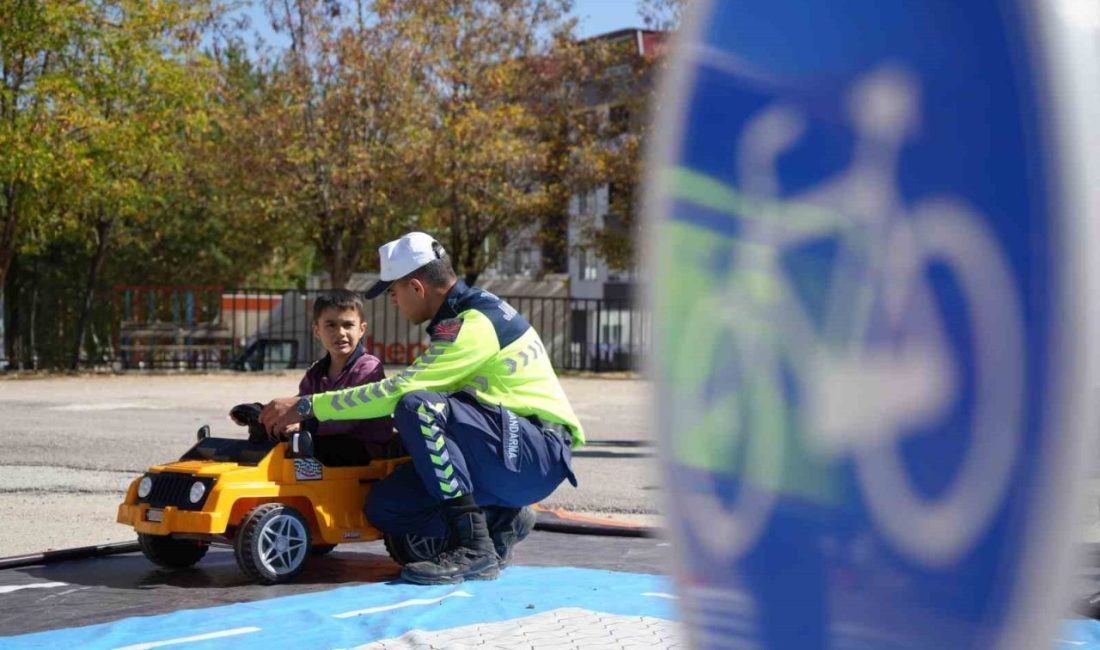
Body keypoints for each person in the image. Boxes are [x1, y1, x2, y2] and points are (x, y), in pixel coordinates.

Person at [261, 231, 583, 585]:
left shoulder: (473, 324)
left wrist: (307, 406)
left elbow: (402, 390)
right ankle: (501, 519)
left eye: (393, 292)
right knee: (385, 508)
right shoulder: (468, 311)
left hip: (533, 455)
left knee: (417, 407)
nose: (393, 302)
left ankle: (476, 549)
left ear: (417, 287)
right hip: (509, 453)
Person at [288, 289, 393, 465]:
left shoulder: (368, 367)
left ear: (361, 329)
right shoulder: (316, 372)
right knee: (280, 444)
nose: (340, 333)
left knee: (308, 447)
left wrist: (304, 425)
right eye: (331, 325)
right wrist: (272, 417)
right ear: (317, 331)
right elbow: (300, 404)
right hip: (327, 440)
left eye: (348, 325)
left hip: (365, 448)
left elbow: (347, 419)